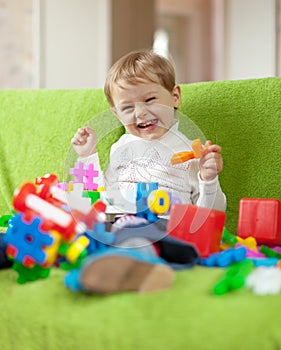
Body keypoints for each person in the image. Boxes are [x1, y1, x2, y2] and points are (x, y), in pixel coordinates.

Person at [71, 50, 226, 213]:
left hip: (167, 233)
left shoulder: (192, 154)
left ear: (175, 97)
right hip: (117, 229)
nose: (140, 113)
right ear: (117, 114)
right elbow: (102, 197)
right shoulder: (121, 147)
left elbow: (212, 216)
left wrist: (209, 180)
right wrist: (87, 156)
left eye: (150, 100)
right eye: (127, 107)